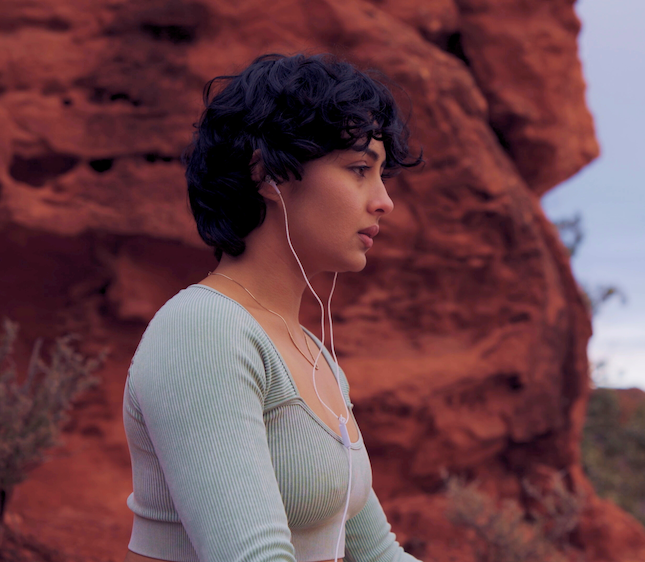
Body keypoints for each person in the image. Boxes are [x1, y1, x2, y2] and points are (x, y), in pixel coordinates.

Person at [121, 53, 422, 562]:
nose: (383, 201)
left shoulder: (311, 353)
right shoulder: (204, 330)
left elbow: (376, 553)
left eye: (381, 175)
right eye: (358, 170)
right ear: (268, 174)